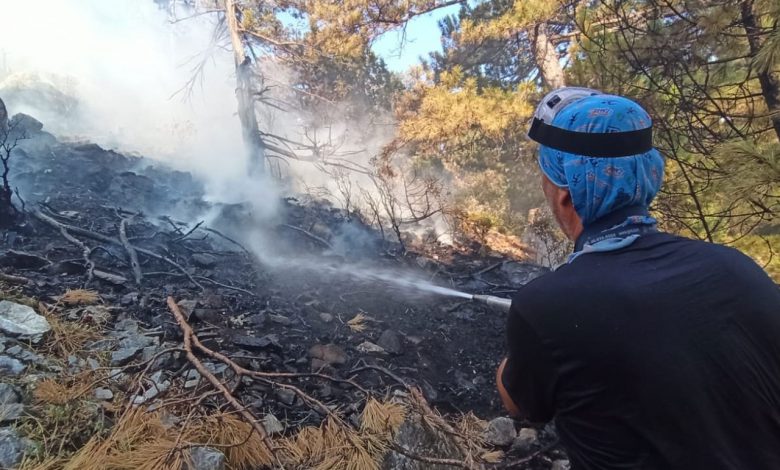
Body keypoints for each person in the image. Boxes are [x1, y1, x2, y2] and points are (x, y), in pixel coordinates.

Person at [496, 87, 780, 470]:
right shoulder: (735, 267)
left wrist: (523, 351)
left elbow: (519, 403)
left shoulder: (547, 305)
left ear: (564, 194)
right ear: (650, 176)